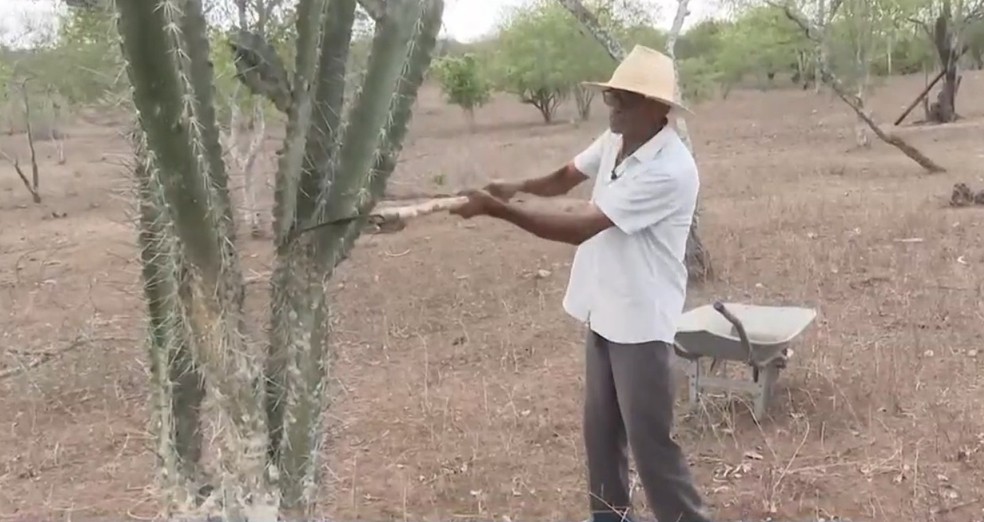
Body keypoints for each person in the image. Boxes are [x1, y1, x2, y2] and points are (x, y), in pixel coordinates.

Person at [447, 45, 713, 522]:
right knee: (601, 436)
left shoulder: (670, 169)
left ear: (658, 110)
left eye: (623, 99)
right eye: (610, 96)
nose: (611, 106)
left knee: (652, 450)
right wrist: (514, 186)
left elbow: (581, 227)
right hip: (604, 309)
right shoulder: (617, 138)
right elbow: (565, 176)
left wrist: (497, 210)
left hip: (640, 321)